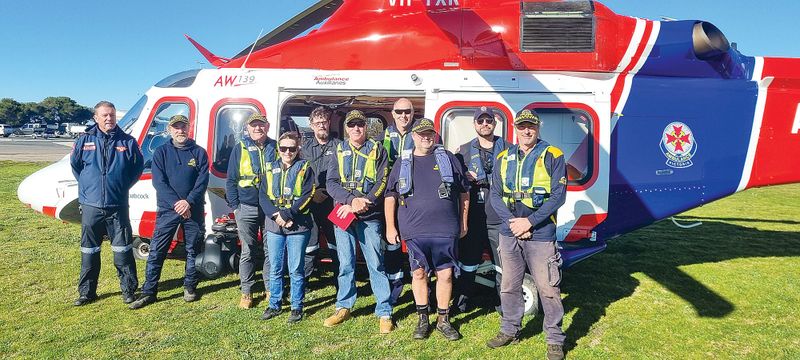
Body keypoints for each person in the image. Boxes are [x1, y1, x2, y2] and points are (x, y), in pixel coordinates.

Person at [486, 109, 567, 360]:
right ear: (515, 128)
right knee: (509, 285)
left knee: (548, 288)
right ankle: (509, 329)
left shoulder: (553, 155)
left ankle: (554, 339)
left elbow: (558, 196)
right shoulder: (503, 156)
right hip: (509, 231)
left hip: (540, 233)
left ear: (537, 128)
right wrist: (513, 222)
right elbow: (495, 194)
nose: (526, 131)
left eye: (530, 126)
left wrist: (529, 222)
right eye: (522, 126)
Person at [385, 118, 470, 341]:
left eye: (430, 133)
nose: (426, 137)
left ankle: (443, 320)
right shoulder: (403, 162)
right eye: (421, 134)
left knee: (446, 274)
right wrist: (390, 226)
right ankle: (423, 319)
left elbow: (464, 192)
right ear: (413, 136)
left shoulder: (448, 159)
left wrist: (463, 222)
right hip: (414, 230)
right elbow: (390, 196)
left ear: (435, 135)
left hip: (445, 229)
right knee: (419, 273)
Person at [324, 110, 395, 334]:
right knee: (345, 264)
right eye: (352, 125)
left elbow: (384, 180)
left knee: (375, 263)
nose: (356, 129)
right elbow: (331, 182)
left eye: (360, 125)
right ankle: (344, 306)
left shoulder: (378, 149)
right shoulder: (338, 150)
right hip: (344, 214)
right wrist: (350, 201)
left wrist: (367, 201)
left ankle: (384, 311)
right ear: (346, 128)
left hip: (369, 215)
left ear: (366, 127)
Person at [129, 115, 209, 309]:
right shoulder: (161, 152)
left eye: (183, 127)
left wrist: (188, 202)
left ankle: (190, 286)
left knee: (193, 250)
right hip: (168, 209)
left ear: (189, 128)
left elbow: (202, 181)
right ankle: (149, 292)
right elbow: (159, 182)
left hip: (193, 210)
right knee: (157, 250)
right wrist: (177, 203)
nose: (180, 130)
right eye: (176, 127)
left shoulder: (199, 152)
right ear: (169, 130)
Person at [69, 101, 144, 306]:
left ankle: (128, 290)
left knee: (123, 250)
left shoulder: (128, 141)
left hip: (117, 205)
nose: (109, 118)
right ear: (96, 117)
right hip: (91, 206)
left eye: (111, 115)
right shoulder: (84, 141)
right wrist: (90, 187)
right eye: (104, 115)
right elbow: (76, 167)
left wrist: (120, 186)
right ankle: (87, 292)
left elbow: (136, 169)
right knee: (89, 251)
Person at [453, 107, 510, 313]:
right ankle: (461, 303)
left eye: (488, 121)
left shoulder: (510, 150)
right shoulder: (463, 151)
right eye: (480, 121)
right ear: (475, 124)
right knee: (467, 264)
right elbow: (455, 183)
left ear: (495, 123)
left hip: (500, 217)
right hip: (474, 217)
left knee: (503, 265)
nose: (484, 124)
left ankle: (505, 305)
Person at [258, 132, 315, 323]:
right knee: (275, 267)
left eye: (292, 148)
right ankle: (274, 303)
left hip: (298, 225)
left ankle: (296, 307)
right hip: (275, 225)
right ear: (278, 149)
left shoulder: (305, 168)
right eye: (283, 148)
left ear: (298, 149)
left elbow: (307, 195)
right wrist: (277, 215)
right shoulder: (269, 168)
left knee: (296, 268)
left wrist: (287, 214)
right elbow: (263, 197)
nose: (287, 152)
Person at [226, 113, 277, 309]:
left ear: (267, 126)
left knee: (270, 251)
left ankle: (270, 288)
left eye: (261, 125)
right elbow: (230, 180)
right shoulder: (239, 148)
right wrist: (235, 207)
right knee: (248, 251)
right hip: (246, 208)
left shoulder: (276, 147)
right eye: (254, 125)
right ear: (247, 128)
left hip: (270, 208)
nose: (258, 128)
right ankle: (246, 292)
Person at [380, 98, 418, 304]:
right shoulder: (383, 135)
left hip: (413, 198)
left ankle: (420, 288)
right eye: (399, 112)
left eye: (407, 112)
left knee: (415, 244)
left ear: (413, 113)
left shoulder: (422, 133)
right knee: (391, 244)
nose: (403, 115)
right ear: (393, 114)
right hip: (390, 196)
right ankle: (394, 289)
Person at [300, 106, 341, 280]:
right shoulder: (305, 149)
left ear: (329, 123)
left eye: (324, 122)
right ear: (311, 125)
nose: (321, 126)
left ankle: (341, 284)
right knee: (310, 246)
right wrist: (313, 193)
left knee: (337, 245)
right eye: (317, 123)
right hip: (311, 203)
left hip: (334, 203)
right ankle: (303, 285)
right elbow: (299, 177)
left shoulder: (340, 146)